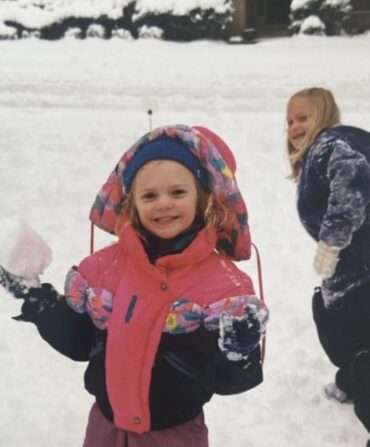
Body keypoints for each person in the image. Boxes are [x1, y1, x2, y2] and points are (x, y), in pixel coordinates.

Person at [1, 124, 268, 447]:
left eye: (178, 192)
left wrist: (240, 353)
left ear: (204, 200)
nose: (163, 203)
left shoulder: (222, 287)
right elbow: (80, 342)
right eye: (149, 195)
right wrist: (39, 301)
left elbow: (229, 381)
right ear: (131, 204)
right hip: (105, 430)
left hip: (175, 436)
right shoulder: (103, 270)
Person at [286, 87, 370, 441]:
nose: (293, 126)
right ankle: (350, 380)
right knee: (341, 326)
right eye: (289, 120)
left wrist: (332, 240)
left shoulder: (328, 145)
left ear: (324, 116)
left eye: (303, 117)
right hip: (356, 267)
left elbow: (353, 180)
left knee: (356, 341)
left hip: (361, 269)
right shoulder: (327, 150)